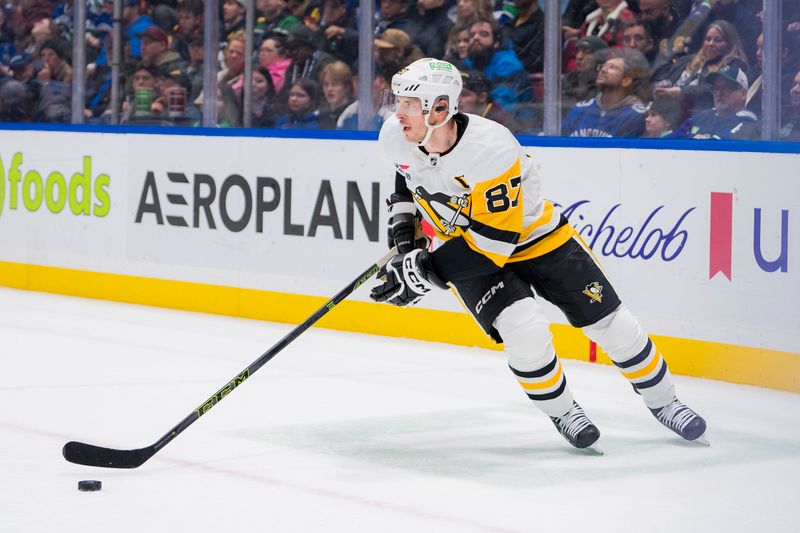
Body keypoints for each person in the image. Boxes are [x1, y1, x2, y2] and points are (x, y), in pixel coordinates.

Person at [370, 57, 708, 452]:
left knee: (611, 324)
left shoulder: (489, 147)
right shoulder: (397, 134)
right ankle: (564, 412)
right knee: (522, 329)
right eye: (398, 101)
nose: (399, 113)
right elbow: (405, 175)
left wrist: (424, 270)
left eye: (410, 104)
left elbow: (491, 245)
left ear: (440, 108)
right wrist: (406, 239)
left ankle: (665, 401)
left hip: (533, 240)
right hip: (466, 245)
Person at [651, 20, 748, 117]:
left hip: (696, 113)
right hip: (667, 107)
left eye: (717, 40)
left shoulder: (735, 64)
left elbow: (711, 90)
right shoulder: (686, 60)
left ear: (729, 43)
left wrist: (680, 92)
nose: (711, 43)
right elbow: (668, 76)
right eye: (708, 39)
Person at [562, 47, 650, 137]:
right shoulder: (580, 110)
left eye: (612, 67)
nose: (603, 70)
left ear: (626, 81)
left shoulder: (635, 115)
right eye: (603, 66)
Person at [671, 64, 759, 140]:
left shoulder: (748, 124)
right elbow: (670, 138)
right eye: (716, 88)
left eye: (726, 88)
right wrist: (695, 138)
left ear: (743, 94)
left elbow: (720, 145)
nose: (719, 93)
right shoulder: (703, 116)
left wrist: (691, 137)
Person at [317, 60, 353, 129]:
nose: (329, 89)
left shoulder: (353, 115)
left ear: (347, 86)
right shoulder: (320, 116)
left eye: (335, 84)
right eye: (326, 84)